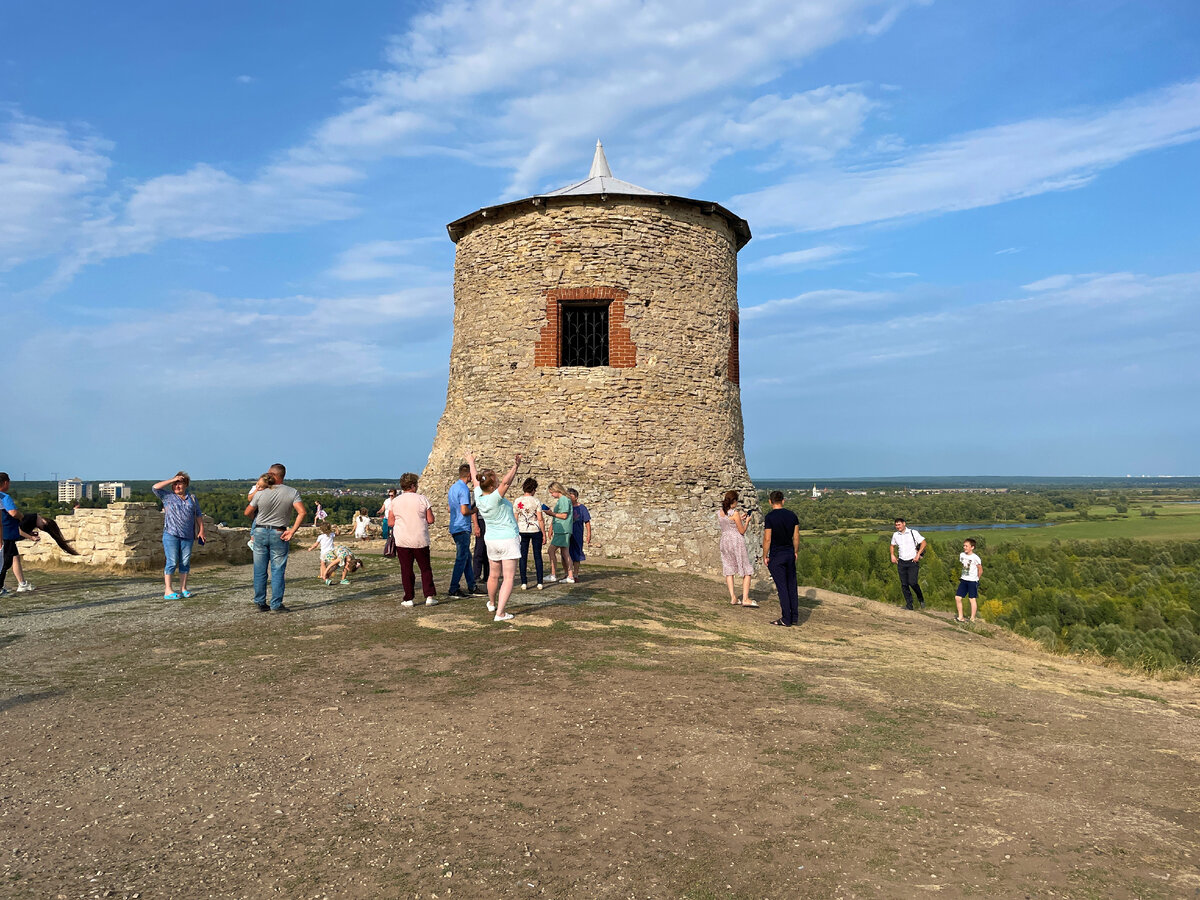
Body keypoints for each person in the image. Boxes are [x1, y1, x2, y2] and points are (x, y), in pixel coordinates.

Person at [465, 450, 521, 622]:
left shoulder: (479, 496)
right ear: (491, 486)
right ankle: (501, 613)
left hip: (491, 540)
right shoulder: (495, 498)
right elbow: (506, 482)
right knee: (509, 577)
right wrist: (515, 466)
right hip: (507, 539)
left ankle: (491, 603)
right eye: (494, 482)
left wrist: (471, 461)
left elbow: (475, 479)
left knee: (493, 575)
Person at [245, 463, 306, 613]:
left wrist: (258, 519)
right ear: (283, 476)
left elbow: (247, 512)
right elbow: (302, 512)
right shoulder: (292, 492)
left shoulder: (261, 492)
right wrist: (292, 531)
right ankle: (276, 604)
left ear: (272, 474)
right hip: (279, 532)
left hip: (259, 531)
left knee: (259, 570)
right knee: (277, 570)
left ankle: (260, 602)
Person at [152, 472, 205, 600]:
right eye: (175, 484)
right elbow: (155, 487)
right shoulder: (167, 496)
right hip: (171, 534)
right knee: (172, 561)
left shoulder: (192, 498)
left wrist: (201, 530)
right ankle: (168, 590)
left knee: (185, 562)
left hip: (188, 535)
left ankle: (183, 588)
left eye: (179, 483)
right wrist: (172, 479)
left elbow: (198, 514)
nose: (177, 486)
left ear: (185, 485)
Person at [391, 472, 437, 607]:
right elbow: (430, 519)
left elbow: (391, 522)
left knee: (406, 570)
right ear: (412, 485)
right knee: (425, 568)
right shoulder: (422, 499)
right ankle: (429, 595)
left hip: (402, 539)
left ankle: (408, 598)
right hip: (419, 538)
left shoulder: (395, 501)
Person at [762, 491, 800, 626]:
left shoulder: (770, 517)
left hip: (777, 555)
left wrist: (765, 555)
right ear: (783, 501)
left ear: (770, 501)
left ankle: (786, 618)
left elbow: (767, 538)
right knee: (791, 585)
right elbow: (796, 537)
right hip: (789, 553)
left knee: (782, 587)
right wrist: (795, 551)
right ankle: (794, 616)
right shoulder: (792, 516)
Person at [0, 473, 38, 596]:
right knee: (5, 563)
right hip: (6, 534)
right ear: (5, 482)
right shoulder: (4, 497)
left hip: (5, 533)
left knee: (14, 557)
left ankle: (22, 583)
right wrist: (22, 518)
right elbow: (13, 512)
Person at [446, 464, 479, 598]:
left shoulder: (453, 488)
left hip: (455, 525)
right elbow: (464, 511)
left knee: (466, 558)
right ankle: (454, 588)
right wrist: (474, 510)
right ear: (469, 475)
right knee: (461, 558)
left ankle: (472, 586)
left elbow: (450, 508)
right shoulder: (464, 489)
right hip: (462, 527)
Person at [719, 490, 755, 607]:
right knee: (746, 568)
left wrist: (740, 518)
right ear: (733, 501)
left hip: (725, 541)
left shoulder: (720, 513)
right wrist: (747, 521)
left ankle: (733, 597)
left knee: (729, 568)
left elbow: (729, 524)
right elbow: (742, 531)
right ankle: (745, 598)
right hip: (736, 541)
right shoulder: (735, 513)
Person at [514, 478, 545, 590]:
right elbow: (540, 519)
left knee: (523, 556)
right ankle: (540, 582)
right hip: (535, 529)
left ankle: (524, 582)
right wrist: (544, 533)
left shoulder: (518, 501)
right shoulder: (536, 501)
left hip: (522, 530)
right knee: (537, 556)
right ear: (533, 489)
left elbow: (515, 518)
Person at [890, 517, 927, 610]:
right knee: (904, 584)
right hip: (901, 562)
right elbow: (892, 545)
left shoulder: (913, 532)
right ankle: (909, 605)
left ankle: (921, 599)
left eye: (899, 524)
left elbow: (923, 543)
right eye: (896, 525)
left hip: (912, 561)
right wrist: (892, 555)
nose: (897, 526)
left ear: (904, 524)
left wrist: (918, 554)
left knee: (913, 582)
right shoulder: (895, 535)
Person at [545, 482, 573, 584]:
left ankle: (553, 574)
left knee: (551, 551)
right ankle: (570, 576)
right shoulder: (564, 499)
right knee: (565, 553)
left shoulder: (564, 500)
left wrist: (551, 513)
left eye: (552, 492)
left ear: (557, 490)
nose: (552, 495)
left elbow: (564, 515)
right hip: (563, 529)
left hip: (562, 530)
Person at [955, 538, 983, 623]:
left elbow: (980, 570)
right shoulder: (962, 555)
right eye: (964, 545)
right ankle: (960, 617)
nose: (964, 547)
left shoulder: (976, 558)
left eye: (966, 546)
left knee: (972, 599)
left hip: (972, 581)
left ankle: (972, 618)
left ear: (972, 547)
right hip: (963, 579)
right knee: (958, 597)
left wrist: (977, 579)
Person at [567, 488, 592, 582]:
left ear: (576, 497)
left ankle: (576, 574)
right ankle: (568, 574)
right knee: (566, 554)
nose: (569, 497)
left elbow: (587, 522)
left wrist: (589, 534)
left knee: (577, 555)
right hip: (567, 533)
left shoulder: (582, 508)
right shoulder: (566, 507)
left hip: (577, 534)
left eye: (571, 495)